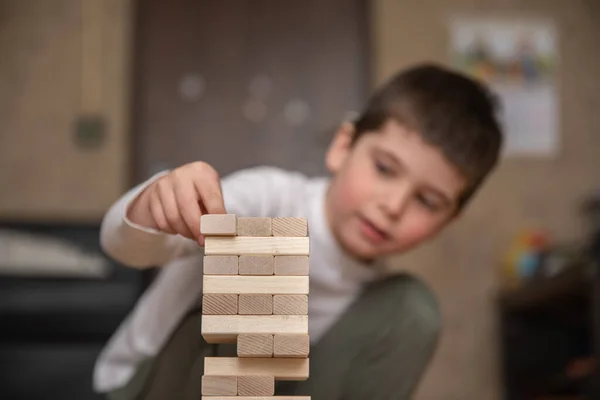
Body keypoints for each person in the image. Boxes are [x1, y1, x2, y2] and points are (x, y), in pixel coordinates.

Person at [93, 63, 503, 400]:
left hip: (274, 390)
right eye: (383, 169)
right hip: (147, 389)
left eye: (427, 202)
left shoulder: (378, 307)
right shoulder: (270, 197)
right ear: (343, 146)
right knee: (266, 247)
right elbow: (125, 247)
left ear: (446, 221)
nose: (392, 207)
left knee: (413, 308)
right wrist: (156, 202)